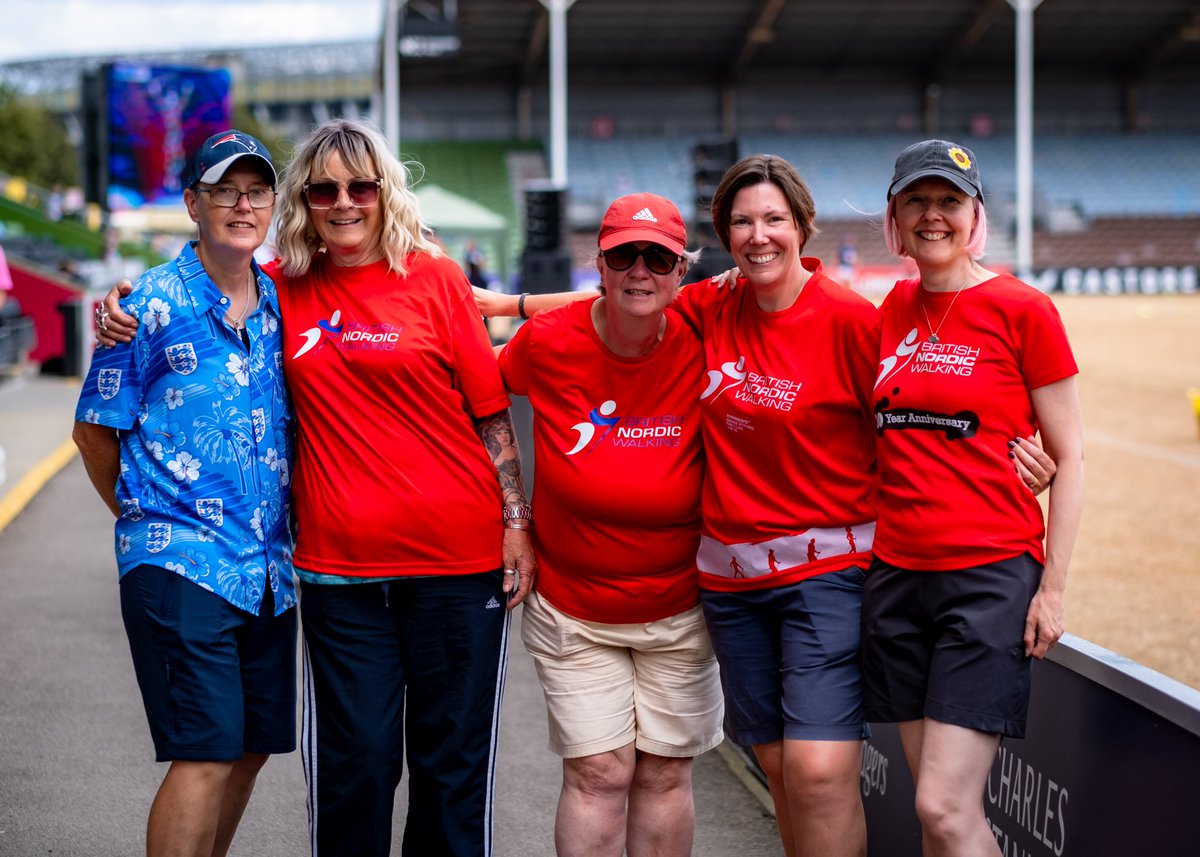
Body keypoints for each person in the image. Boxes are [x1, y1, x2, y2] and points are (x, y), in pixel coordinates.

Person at [96, 118, 536, 857]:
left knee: (451, 770)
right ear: (304, 198)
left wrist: (516, 520)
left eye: (360, 186)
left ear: (384, 193)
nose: (344, 201)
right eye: (325, 187)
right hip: (341, 575)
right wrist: (123, 305)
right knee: (355, 768)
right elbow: (201, 277)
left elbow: (492, 413)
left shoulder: (435, 279)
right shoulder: (281, 285)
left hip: (458, 569)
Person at [74, 130, 297, 857]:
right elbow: (93, 433)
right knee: (202, 750)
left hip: (267, 571)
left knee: (249, 747)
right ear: (192, 203)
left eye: (256, 189)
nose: (242, 203)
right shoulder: (145, 304)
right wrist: (146, 519)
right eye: (223, 189)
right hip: (181, 563)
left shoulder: (279, 303)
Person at [861, 140, 1084, 857]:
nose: (934, 216)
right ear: (895, 217)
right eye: (917, 201)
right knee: (935, 816)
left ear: (974, 213)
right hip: (897, 578)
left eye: (949, 201)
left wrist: (1051, 588)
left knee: (945, 806)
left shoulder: (1022, 309)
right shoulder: (889, 309)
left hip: (987, 580)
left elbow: (1071, 454)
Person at [497, 193, 723, 857]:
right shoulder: (550, 340)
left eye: (659, 257)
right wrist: (511, 514)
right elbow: (476, 402)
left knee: (666, 770)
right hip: (573, 608)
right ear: (599, 261)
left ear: (683, 270)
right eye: (624, 253)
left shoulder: (708, 333)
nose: (640, 269)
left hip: (682, 610)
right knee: (600, 770)